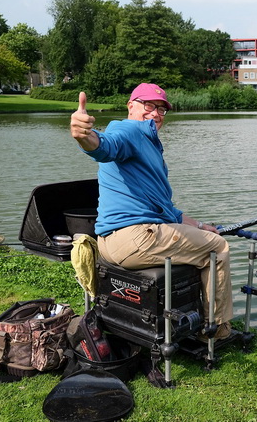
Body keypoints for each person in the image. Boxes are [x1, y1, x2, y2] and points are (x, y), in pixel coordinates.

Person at [69, 83, 233, 340]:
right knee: (217, 248)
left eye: (161, 109)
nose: (155, 113)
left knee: (206, 238)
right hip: (135, 238)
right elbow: (104, 146)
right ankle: (217, 328)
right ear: (131, 105)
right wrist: (82, 135)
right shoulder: (129, 130)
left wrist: (200, 226)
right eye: (149, 106)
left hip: (113, 241)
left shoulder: (149, 145)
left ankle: (188, 319)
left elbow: (166, 211)